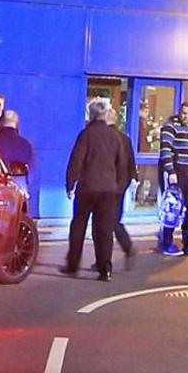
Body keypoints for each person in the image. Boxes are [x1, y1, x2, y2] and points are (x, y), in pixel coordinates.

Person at [60, 96, 134, 280]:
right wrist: (118, 186)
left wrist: (70, 183)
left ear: (91, 115)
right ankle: (105, 269)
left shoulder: (85, 135)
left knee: (78, 225)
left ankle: (73, 265)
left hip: (87, 187)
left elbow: (76, 160)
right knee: (104, 230)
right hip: (109, 189)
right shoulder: (116, 137)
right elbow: (122, 163)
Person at [152, 106, 188, 255]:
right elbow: (165, 150)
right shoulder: (170, 128)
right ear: (179, 112)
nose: (186, 116)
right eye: (184, 113)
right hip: (173, 172)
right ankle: (166, 243)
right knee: (172, 207)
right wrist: (170, 171)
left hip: (185, 173)